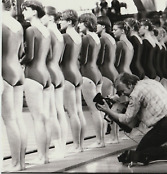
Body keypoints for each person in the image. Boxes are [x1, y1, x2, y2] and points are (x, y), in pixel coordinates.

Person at [21, 0, 52, 164]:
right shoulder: (46, 30)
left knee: (37, 119)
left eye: (25, 10)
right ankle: (46, 156)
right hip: (46, 74)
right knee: (45, 118)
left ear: (34, 11)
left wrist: (19, 61)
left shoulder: (31, 30)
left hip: (33, 74)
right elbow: (51, 55)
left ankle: (41, 156)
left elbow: (30, 56)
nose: (23, 13)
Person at [2, 0, 27, 171]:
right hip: (18, 71)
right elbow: (21, 53)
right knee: (18, 119)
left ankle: (15, 163)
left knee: (9, 120)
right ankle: (22, 163)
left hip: (4, 72)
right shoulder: (18, 24)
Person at [41, 6, 68, 158]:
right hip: (58, 71)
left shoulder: (49, 32)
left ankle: (57, 149)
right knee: (60, 113)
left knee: (52, 114)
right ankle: (61, 148)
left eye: (43, 16)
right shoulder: (59, 33)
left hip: (50, 72)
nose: (41, 18)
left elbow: (47, 55)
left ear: (50, 17)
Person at [60, 9, 86, 152]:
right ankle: (80, 144)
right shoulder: (79, 36)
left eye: (62, 19)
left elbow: (60, 58)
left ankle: (76, 145)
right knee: (79, 111)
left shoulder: (65, 36)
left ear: (69, 21)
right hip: (77, 74)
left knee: (72, 112)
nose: (60, 22)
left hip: (67, 74)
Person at [78, 13, 105, 148]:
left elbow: (83, 59)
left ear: (86, 23)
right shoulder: (98, 38)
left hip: (88, 73)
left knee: (94, 110)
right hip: (97, 73)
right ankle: (102, 139)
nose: (78, 25)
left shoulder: (86, 38)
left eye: (80, 23)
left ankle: (99, 140)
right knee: (99, 109)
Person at [96, 15, 119, 143]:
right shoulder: (112, 38)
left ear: (103, 26)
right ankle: (115, 136)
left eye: (97, 25)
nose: (95, 27)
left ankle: (109, 137)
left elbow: (100, 59)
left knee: (106, 106)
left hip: (105, 72)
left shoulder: (103, 39)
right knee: (113, 106)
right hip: (113, 71)